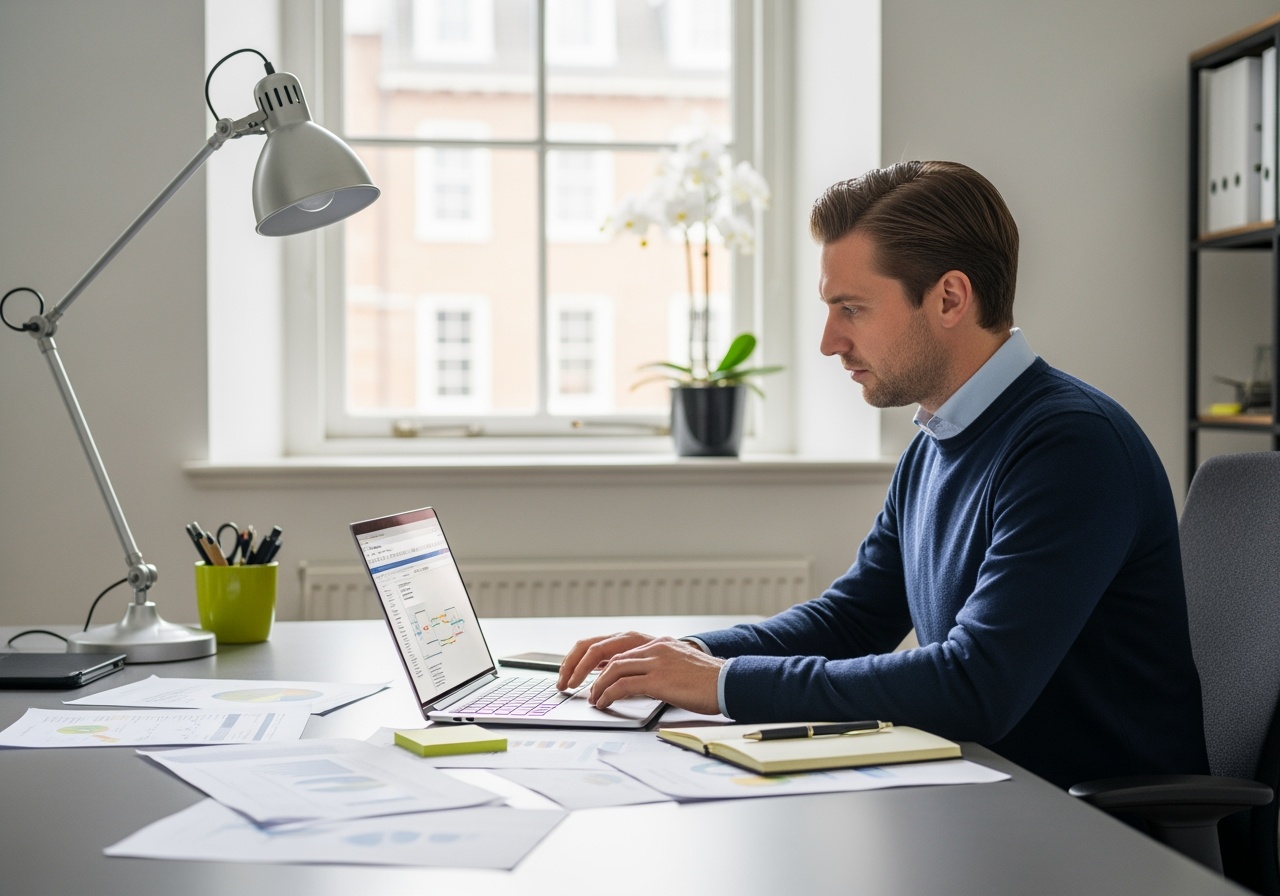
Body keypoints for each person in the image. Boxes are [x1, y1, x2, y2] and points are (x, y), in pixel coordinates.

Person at [557, 161, 1210, 790]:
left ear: (950, 297)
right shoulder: (937, 441)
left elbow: (974, 686)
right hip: (987, 796)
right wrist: (683, 654)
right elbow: (850, 621)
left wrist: (724, 682)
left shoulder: (1071, 447)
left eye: (853, 309)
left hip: (1094, 835)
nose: (829, 340)